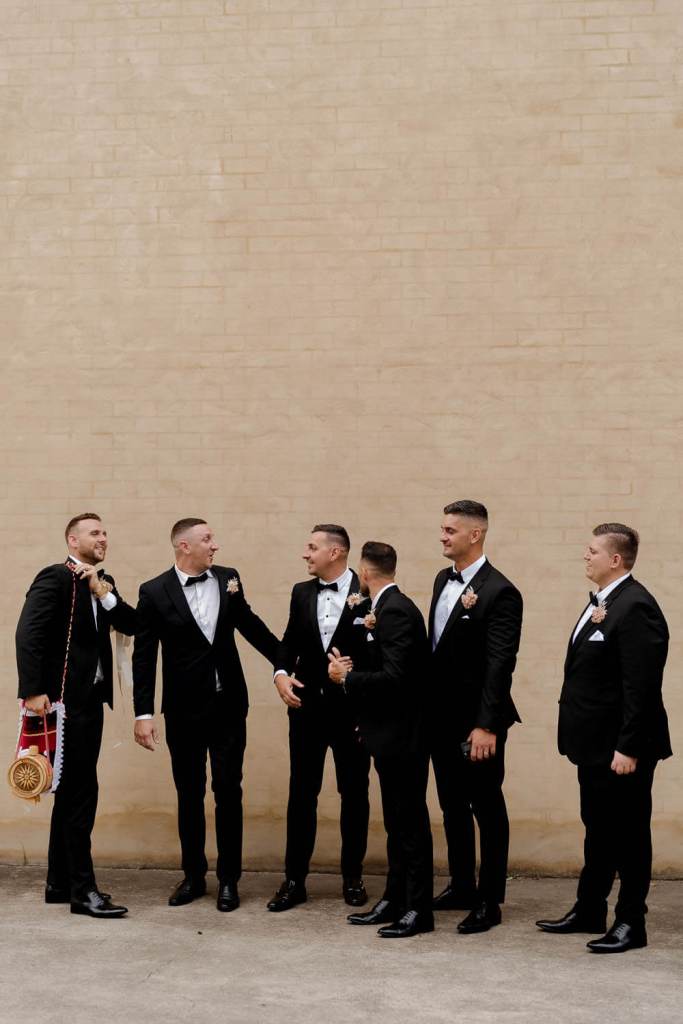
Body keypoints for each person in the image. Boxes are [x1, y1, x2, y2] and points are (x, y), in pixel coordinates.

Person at [536, 523, 671, 954]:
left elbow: (642, 686)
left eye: (592, 551)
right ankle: (589, 908)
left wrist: (629, 747)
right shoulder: (602, 602)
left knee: (629, 835)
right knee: (598, 830)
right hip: (593, 746)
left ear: (615, 560)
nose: (585, 556)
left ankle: (632, 921)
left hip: (621, 749)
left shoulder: (636, 607)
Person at [132, 518, 278, 912]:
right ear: (184, 545)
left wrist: (286, 662)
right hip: (182, 711)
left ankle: (230, 879)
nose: (215, 545)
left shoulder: (229, 579)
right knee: (189, 794)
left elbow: (250, 625)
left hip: (229, 706)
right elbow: (143, 657)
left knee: (229, 791)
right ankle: (193, 876)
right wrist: (142, 713)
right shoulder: (154, 591)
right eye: (207, 539)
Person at [15, 513, 136, 918]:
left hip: (91, 704)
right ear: (73, 539)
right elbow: (28, 632)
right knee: (81, 795)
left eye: (105, 531)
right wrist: (33, 691)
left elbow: (131, 623)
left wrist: (102, 591)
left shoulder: (104, 584)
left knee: (70, 794)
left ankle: (58, 882)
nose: (104, 537)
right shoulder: (54, 577)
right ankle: (84, 892)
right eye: (95, 532)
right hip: (64, 706)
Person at [328, 541, 434, 938]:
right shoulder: (381, 609)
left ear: (366, 574)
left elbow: (398, 679)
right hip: (386, 734)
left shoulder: (396, 611)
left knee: (410, 825)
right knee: (395, 822)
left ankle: (419, 909)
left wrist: (346, 679)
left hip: (405, 738)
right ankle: (395, 898)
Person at [428, 500, 523, 934]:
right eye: (443, 529)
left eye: (450, 530)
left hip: (477, 724)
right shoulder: (440, 581)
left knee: (487, 807)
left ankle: (490, 900)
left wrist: (485, 726)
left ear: (475, 535)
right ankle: (462, 884)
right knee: (451, 805)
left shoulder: (501, 591)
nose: (443, 536)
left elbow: (499, 664)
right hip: (440, 719)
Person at [267, 525, 370, 912]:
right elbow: (289, 640)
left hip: (352, 713)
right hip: (306, 710)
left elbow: (380, 651)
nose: (305, 554)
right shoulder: (301, 592)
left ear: (336, 552)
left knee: (355, 794)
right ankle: (294, 881)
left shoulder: (369, 592)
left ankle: (353, 877)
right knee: (301, 794)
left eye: (312, 547)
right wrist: (279, 674)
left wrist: (354, 672)